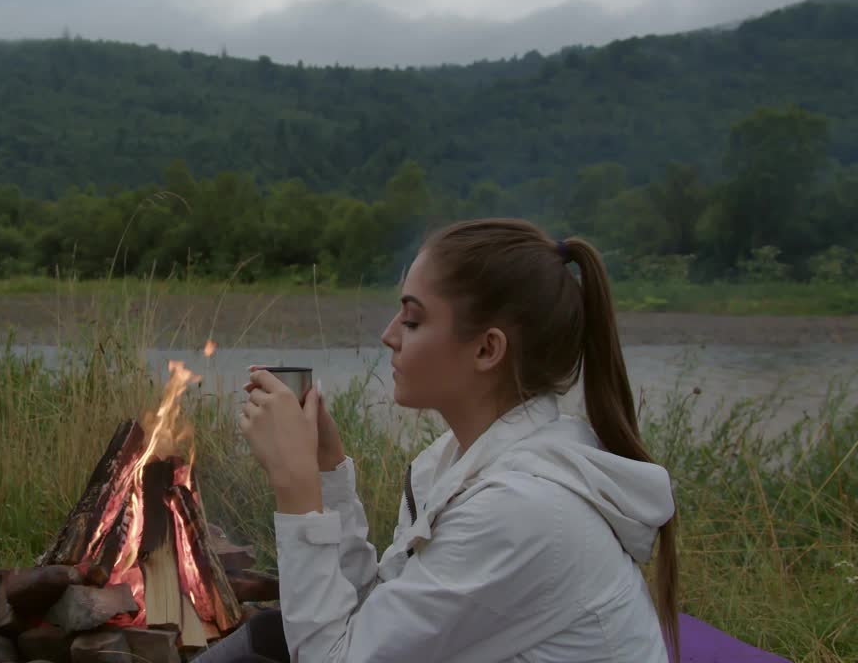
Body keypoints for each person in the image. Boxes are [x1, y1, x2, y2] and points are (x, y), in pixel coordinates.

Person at [198, 218, 679, 662]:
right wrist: (327, 471)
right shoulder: (453, 462)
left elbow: (334, 657)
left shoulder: (522, 509)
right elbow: (375, 616)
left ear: (487, 349)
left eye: (412, 320)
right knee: (266, 638)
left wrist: (296, 488)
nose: (389, 335)